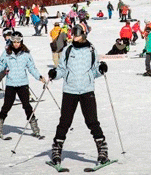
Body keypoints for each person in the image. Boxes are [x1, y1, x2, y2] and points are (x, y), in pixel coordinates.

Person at [47, 24, 110, 166]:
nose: (74, 36)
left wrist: (101, 69)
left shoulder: (91, 50)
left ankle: (103, 150)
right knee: (65, 122)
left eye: (77, 34)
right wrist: (55, 73)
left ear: (84, 34)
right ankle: (56, 149)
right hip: (70, 90)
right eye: (73, 33)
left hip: (87, 90)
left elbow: (94, 71)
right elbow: (62, 69)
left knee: (92, 121)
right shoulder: (68, 50)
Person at [0, 31, 46, 138]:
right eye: (14, 42)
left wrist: (39, 77)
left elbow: (31, 67)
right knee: (7, 106)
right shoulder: (6, 53)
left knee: (27, 106)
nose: (16, 44)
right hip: (11, 83)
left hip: (22, 83)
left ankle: (35, 128)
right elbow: (1, 65)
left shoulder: (26, 54)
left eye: (18, 42)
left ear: (21, 42)